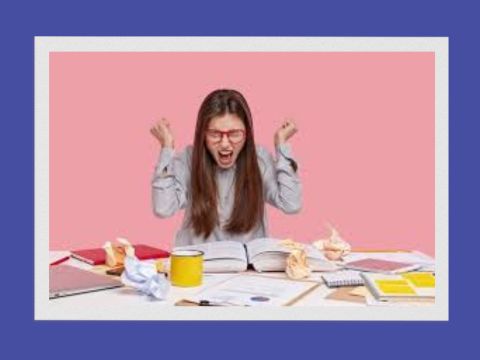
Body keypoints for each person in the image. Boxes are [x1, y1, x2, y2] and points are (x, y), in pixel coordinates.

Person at [150, 89, 302, 246]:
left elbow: (291, 204)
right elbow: (163, 208)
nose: (224, 143)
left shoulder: (259, 159)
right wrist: (166, 148)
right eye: (215, 134)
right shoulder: (189, 158)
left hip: (247, 267)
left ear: (247, 134)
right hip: (197, 266)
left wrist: (282, 145)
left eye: (234, 133)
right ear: (203, 134)